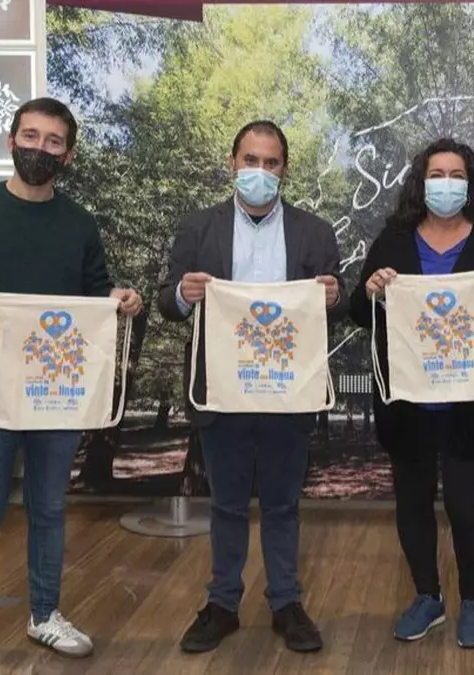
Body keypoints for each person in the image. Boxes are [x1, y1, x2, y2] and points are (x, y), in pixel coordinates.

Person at [0, 97, 143, 675]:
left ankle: (45, 615)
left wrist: (119, 300)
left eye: (52, 141)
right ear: (10, 141)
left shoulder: (79, 224)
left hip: (56, 393)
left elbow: (94, 294)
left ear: (67, 155)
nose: (39, 148)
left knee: (49, 508)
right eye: (30, 136)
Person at [349, 138, 474, 649]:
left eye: (456, 175)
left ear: (470, 183)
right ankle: (427, 597)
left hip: (471, 404)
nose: (446, 184)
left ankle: (473, 601)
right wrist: (370, 291)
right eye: (436, 174)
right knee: (413, 505)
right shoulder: (394, 239)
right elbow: (358, 313)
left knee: (466, 507)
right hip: (407, 402)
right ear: (421, 182)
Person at [158, 120, 345, 655]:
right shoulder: (199, 227)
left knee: (283, 505)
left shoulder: (314, 232)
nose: (260, 171)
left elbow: (338, 304)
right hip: (223, 392)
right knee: (227, 505)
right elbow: (167, 303)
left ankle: (286, 604)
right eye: (250, 160)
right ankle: (222, 605)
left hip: (289, 391)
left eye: (271, 163)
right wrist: (183, 293)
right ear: (232, 163)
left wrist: (335, 296)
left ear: (284, 169)